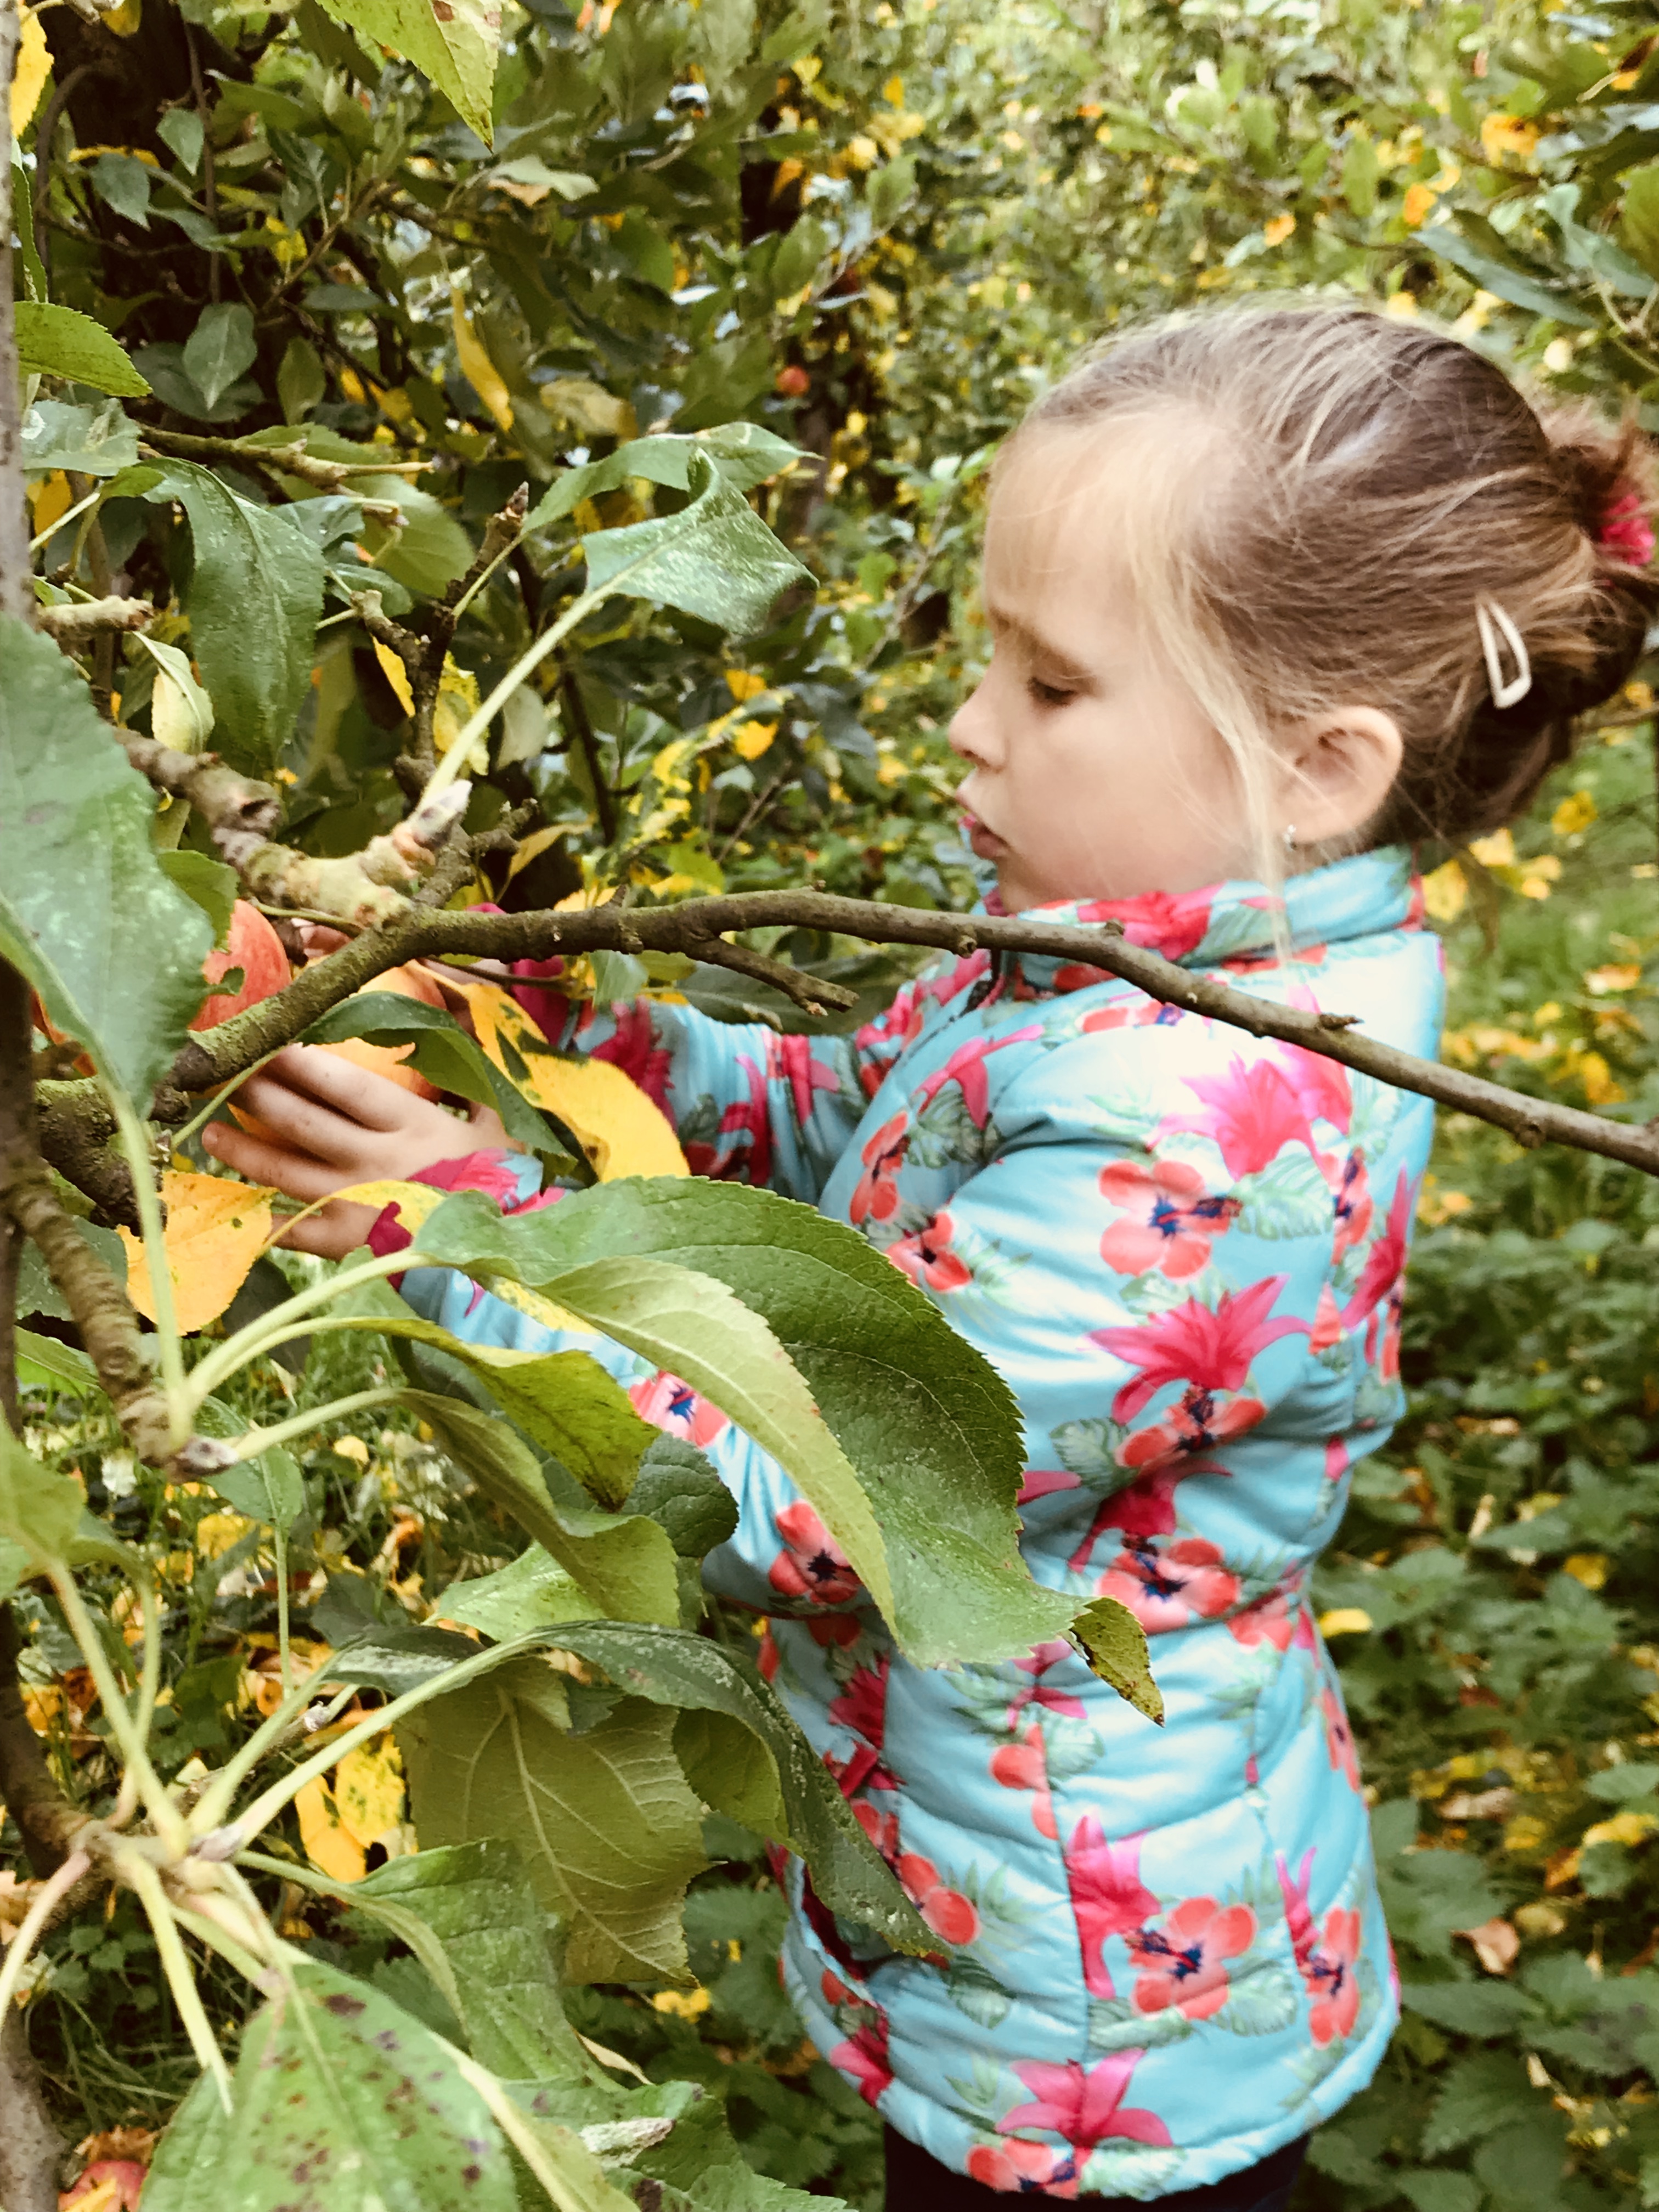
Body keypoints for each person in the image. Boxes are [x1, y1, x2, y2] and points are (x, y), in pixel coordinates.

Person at [204, 303, 1658, 2207]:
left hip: (1093, 2020)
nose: (973, 722)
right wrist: (596, 1035)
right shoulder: (1120, 969)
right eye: (993, 652)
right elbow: (851, 1116)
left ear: (1316, 767)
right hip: (1009, 1892)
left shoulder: (1213, 1132)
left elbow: (813, 1502)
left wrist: (459, 1230)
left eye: (1051, 683)